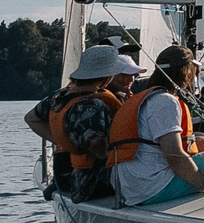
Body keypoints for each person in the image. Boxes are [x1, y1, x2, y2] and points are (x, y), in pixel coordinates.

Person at [109, 45, 204, 209]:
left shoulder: (146, 98)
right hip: (152, 188)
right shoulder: (166, 101)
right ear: (186, 72)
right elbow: (175, 156)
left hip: (131, 187)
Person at [27, 45, 140, 202]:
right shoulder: (93, 105)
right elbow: (96, 143)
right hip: (88, 183)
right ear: (107, 76)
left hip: (63, 174)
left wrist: (63, 141)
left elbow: (31, 118)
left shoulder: (59, 96)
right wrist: (106, 154)